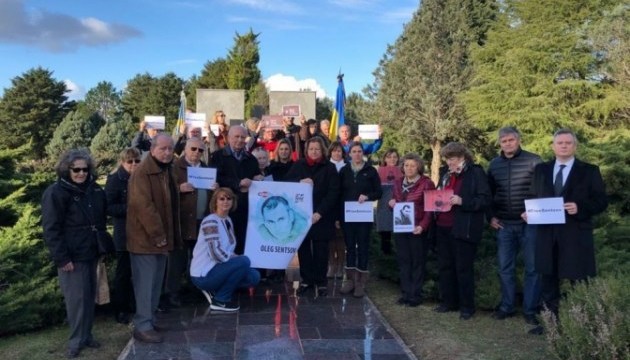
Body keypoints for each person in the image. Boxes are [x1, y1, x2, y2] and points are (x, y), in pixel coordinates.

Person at [525, 129, 607, 335]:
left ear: (574, 146)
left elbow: (601, 201)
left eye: (568, 143)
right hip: (546, 234)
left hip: (575, 234)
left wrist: (580, 207)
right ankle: (551, 324)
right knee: (548, 280)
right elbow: (533, 195)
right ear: (553, 146)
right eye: (559, 142)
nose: (563, 146)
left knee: (578, 280)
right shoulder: (541, 170)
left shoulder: (589, 170)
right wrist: (528, 213)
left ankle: (583, 323)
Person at [42, 149, 106, 358]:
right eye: (76, 169)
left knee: (89, 297)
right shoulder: (55, 193)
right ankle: (76, 341)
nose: (81, 173)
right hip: (72, 256)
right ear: (66, 169)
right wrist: (62, 258)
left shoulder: (94, 190)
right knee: (76, 300)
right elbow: (51, 229)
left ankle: (86, 336)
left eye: (84, 169)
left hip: (91, 251)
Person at [127, 134, 181, 343]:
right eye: (163, 149)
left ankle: (148, 320)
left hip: (160, 240)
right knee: (145, 285)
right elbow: (144, 207)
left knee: (155, 284)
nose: (167, 153)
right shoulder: (142, 173)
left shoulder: (166, 170)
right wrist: (158, 235)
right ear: (152, 148)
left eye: (170, 149)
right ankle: (142, 326)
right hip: (146, 241)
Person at [487, 127, 542, 325]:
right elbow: (489, 194)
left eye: (511, 140)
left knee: (533, 268)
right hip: (504, 224)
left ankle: (530, 309)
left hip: (530, 224)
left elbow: (543, 191)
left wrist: (535, 212)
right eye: (504, 141)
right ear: (500, 143)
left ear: (518, 141)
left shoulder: (534, 161)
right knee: (505, 268)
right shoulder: (494, 165)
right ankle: (507, 307)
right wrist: (490, 217)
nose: (508, 143)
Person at [433, 142, 491, 320]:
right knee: (445, 266)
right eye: (447, 159)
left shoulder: (475, 173)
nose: (449, 162)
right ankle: (448, 302)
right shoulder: (445, 173)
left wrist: (463, 201)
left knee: (463, 268)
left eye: (453, 158)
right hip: (443, 226)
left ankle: (467, 306)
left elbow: (484, 199)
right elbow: (440, 194)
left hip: (463, 228)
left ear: (463, 157)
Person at [285, 137, 340, 297]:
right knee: (304, 250)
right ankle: (307, 280)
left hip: (322, 215)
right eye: (311, 149)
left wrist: (320, 212)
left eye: (317, 149)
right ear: (306, 150)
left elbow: (333, 192)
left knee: (321, 249)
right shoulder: (299, 165)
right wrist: (299, 181)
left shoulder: (329, 168)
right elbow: (287, 182)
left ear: (322, 150)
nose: (314, 152)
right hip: (301, 216)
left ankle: (321, 281)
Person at [190, 188, 261, 312]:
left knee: (254, 277)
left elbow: (226, 250)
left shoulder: (227, 220)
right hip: (204, 273)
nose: (225, 201)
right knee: (244, 261)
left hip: (217, 268)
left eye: (229, 198)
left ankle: (217, 290)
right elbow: (215, 253)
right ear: (215, 202)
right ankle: (220, 300)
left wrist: (236, 259)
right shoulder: (210, 221)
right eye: (221, 198)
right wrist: (237, 260)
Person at [165, 137, 216, 308]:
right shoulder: (174, 168)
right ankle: (173, 293)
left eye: (200, 150)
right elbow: (163, 192)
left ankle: (195, 290)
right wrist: (178, 189)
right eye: (193, 149)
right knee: (177, 260)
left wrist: (215, 189)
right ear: (185, 149)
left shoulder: (207, 169)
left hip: (201, 220)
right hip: (182, 221)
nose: (196, 153)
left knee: (198, 258)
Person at [388, 153, 436, 307]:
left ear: (419, 167)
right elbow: (396, 207)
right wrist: (391, 205)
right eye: (406, 165)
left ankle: (415, 295)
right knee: (404, 261)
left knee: (417, 262)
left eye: (413, 165)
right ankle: (406, 293)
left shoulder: (426, 183)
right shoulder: (397, 183)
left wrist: (422, 226)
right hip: (401, 228)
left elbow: (430, 209)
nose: (409, 168)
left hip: (417, 229)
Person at [339, 143, 382, 298]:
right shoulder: (344, 171)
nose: (357, 154)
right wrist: (339, 216)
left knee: (363, 246)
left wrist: (368, 196)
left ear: (363, 153)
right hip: (347, 216)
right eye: (354, 151)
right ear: (349, 154)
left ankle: (360, 283)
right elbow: (339, 194)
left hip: (363, 216)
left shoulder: (370, 171)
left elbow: (379, 192)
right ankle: (349, 280)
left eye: (359, 151)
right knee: (349, 247)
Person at [212, 125, 262, 254]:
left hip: (246, 207)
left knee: (243, 240)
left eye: (243, 137)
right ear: (228, 138)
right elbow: (216, 178)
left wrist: (258, 178)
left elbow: (256, 176)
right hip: (225, 207)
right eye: (236, 136)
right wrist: (237, 183)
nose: (240, 140)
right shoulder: (217, 156)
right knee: (225, 240)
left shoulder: (251, 159)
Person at [105, 147, 141, 325]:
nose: (134, 164)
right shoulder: (115, 180)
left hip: (141, 233)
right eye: (130, 161)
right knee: (123, 273)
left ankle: (137, 305)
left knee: (139, 272)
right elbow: (109, 206)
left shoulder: (142, 178)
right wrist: (130, 209)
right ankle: (121, 309)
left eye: (137, 161)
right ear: (122, 162)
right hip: (124, 232)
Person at [326, 141, 347, 278]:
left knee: (340, 238)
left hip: (343, 205)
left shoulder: (347, 167)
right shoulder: (326, 166)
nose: (337, 153)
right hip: (328, 206)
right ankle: (331, 265)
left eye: (339, 151)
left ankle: (340, 265)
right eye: (334, 151)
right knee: (329, 237)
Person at [376, 149, 402, 255]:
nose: (392, 159)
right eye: (389, 157)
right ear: (385, 159)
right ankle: (385, 249)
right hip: (383, 201)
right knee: (385, 226)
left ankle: (400, 249)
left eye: (394, 157)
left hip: (398, 202)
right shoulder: (379, 171)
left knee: (399, 226)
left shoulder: (402, 170)